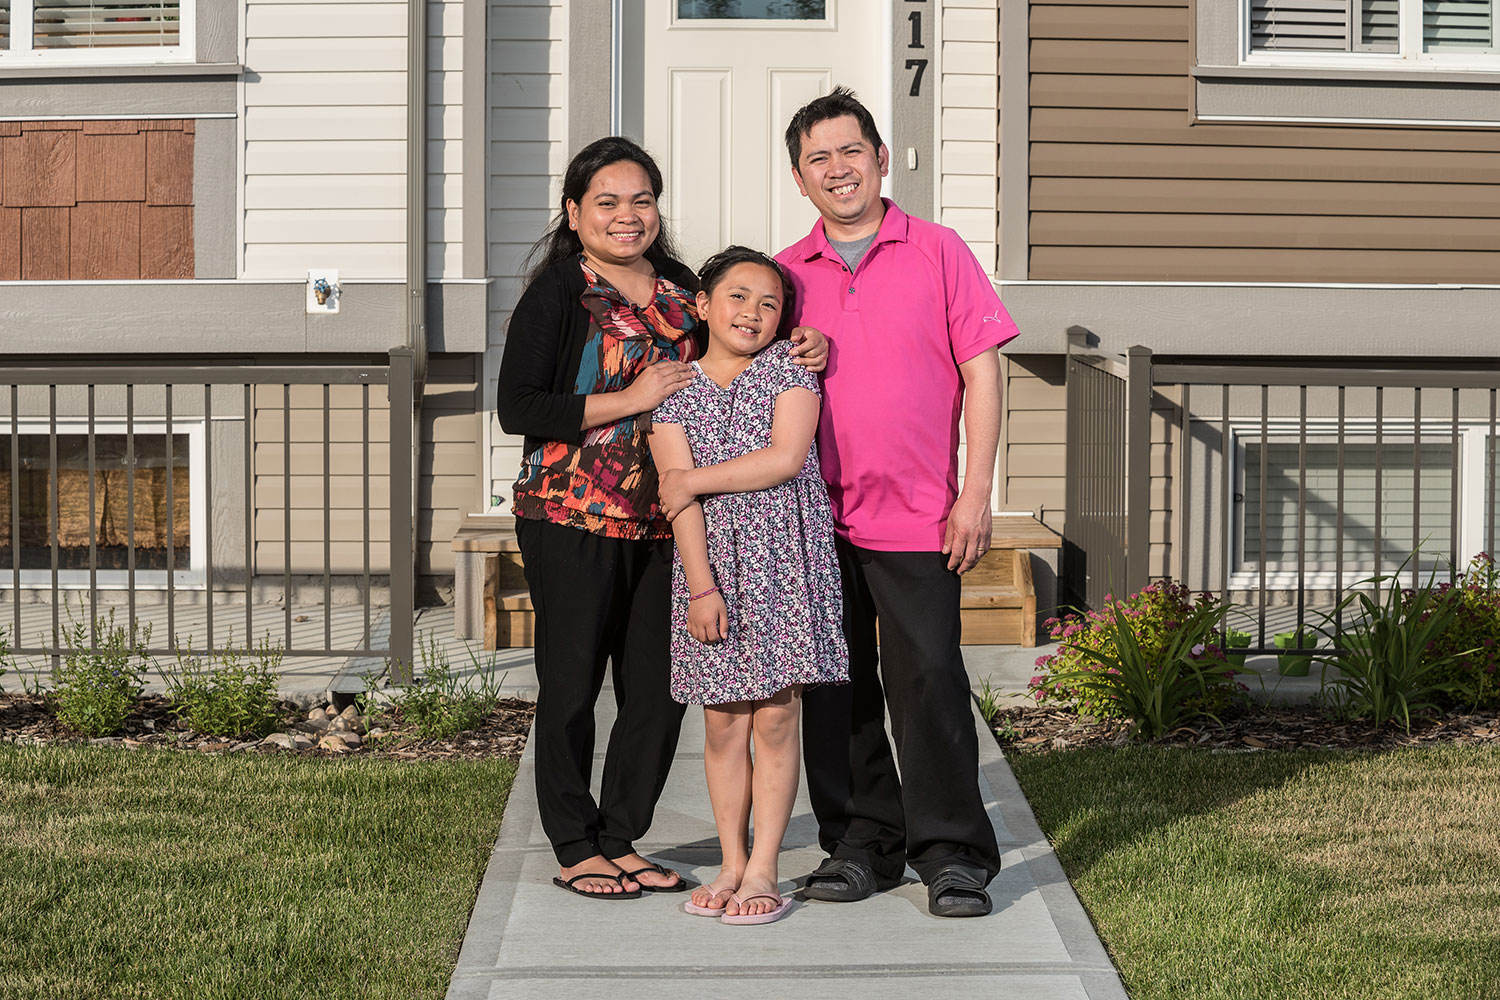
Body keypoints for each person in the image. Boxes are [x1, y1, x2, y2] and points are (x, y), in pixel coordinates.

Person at [496, 137, 828, 900]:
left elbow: (742, 337)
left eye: (640, 200)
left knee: (656, 687)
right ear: (575, 211)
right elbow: (520, 406)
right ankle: (576, 841)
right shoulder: (557, 291)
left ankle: (622, 834)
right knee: (573, 682)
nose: (626, 215)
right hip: (572, 513)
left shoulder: (683, 286)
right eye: (606, 202)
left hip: (671, 520)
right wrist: (632, 399)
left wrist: (807, 340)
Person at [773, 88, 1021, 917]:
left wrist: (974, 495)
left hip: (918, 515)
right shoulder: (782, 275)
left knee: (930, 682)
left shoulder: (939, 250)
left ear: (881, 158)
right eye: (818, 159)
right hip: (812, 518)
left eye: (851, 151)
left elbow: (983, 370)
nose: (837, 169)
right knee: (836, 690)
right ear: (800, 180)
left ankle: (950, 851)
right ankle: (861, 842)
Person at [649, 246, 849, 925]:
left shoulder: (791, 372)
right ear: (702, 305)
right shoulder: (672, 388)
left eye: (770, 303)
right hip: (713, 569)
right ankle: (730, 861)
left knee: (776, 714)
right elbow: (676, 502)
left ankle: (764, 866)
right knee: (724, 720)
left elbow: (785, 458)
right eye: (737, 297)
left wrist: (693, 480)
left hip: (783, 561)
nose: (753, 313)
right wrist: (701, 588)